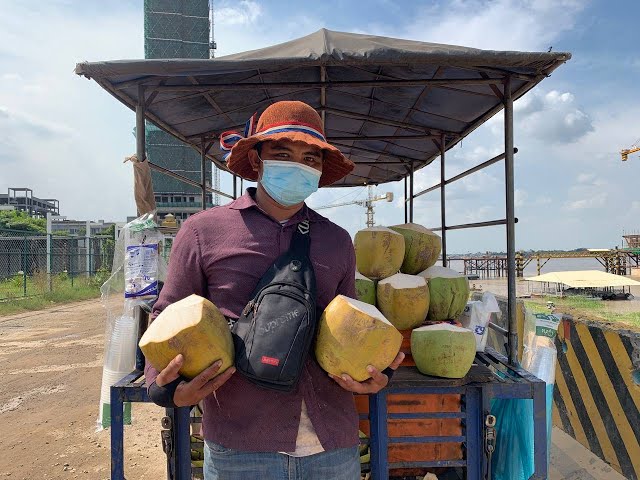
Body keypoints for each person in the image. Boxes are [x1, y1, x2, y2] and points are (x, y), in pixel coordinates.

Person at [145, 100, 404, 480]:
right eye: (283, 154)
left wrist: (379, 374)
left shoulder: (336, 240)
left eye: (310, 159)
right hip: (240, 442)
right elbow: (165, 315)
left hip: (331, 443)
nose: (298, 166)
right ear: (257, 161)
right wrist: (165, 391)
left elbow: (354, 325)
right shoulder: (203, 231)